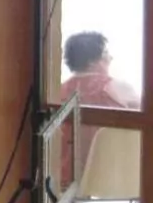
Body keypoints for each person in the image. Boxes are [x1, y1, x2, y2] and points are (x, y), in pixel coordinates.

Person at [58, 31, 140, 187]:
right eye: (106, 54)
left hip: (65, 181)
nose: (110, 58)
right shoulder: (117, 88)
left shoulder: (56, 94)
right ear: (91, 62)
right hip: (114, 178)